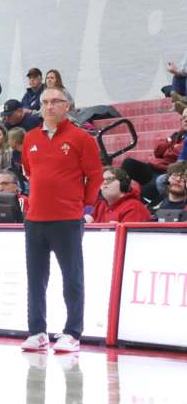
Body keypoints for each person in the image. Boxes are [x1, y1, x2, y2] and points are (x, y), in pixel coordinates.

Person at [21, 87, 102, 354]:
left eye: (55, 101)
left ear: (67, 105)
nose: (48, 106)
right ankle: (37, 331)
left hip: (67, 219)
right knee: (35, 278)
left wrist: (83, 205)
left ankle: (73, 332)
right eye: (44, 102)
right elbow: (30, 173)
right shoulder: (30, 138)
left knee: (72, 277)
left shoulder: (82, 139)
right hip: (35, 219)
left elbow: (95, 175)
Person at [121, 109, 186, 201]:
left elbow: (175, 154)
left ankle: (148, 208)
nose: (185, 120)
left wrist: (170, 147)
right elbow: (158, 152)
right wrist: (171, 144)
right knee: (129, 164)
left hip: (171, 172)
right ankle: (120, 193)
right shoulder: (177, 135)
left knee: (147, 189)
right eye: (183, 118)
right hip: (156, 167)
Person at [85, 167, 151, 224]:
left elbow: (130, 237)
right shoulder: (99, 205)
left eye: (109, 179)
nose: (104, 183)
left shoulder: (135, 208)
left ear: (123, 184)